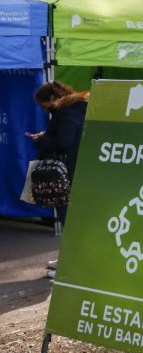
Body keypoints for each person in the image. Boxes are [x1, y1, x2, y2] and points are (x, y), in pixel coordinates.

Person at [26, 81, 89, 277]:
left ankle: (71, 266)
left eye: (42, 104)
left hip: (66, 173)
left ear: (52, 99)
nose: (43, 109)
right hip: (74, 170)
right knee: (70, 218)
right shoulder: (75, 108)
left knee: (67, 218)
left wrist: (41, 140)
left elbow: (64, 142)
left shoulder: (67, 113)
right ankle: (68, 259)